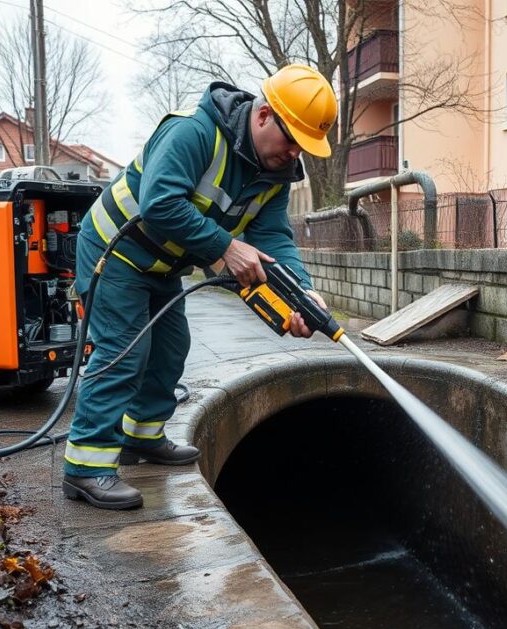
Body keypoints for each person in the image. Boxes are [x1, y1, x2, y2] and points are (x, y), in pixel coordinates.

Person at [61, 64, 337, 510]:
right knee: (123, 351)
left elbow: (272, 238)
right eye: (291, 140)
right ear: (264, 115)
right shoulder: (194, 133)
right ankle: (86, 468)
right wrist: (225, 247)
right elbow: (158, 204)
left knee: (171, 347)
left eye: (303, 147)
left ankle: (141, 436)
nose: (293, 154)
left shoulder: (275, 176)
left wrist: (301, 291)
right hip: (115, 251)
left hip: (164, 265)